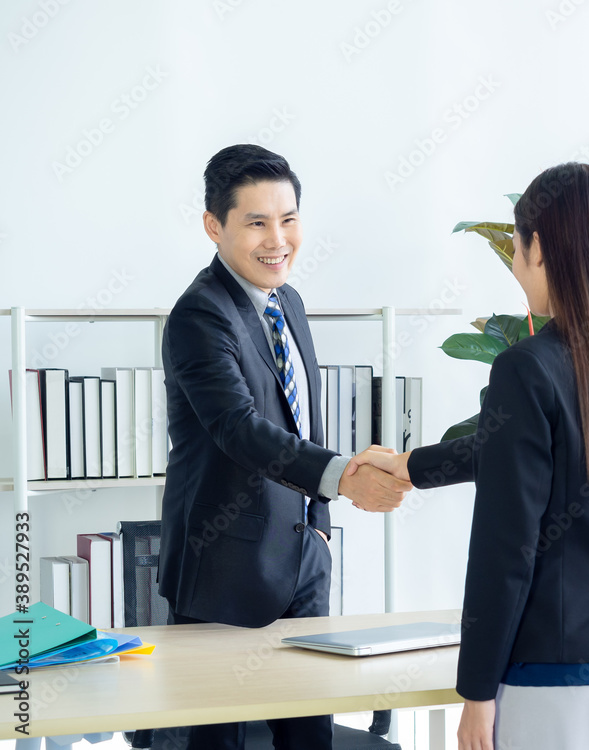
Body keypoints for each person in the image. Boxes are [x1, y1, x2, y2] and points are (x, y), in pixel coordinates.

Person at [348, 163, 589, 749]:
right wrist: (415, 466)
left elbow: (506, 548)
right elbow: (533, 448)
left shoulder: (525, 367)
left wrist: (475, 693)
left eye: (518, 246)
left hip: (556, 665)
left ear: (538, 248)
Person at [158, 144, 411, 750]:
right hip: (223, 573)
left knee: (309, 740)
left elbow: (304, 422)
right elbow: (238, 428)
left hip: (303, 565)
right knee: (218, 743)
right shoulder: (199, 315)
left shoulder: (287, 303)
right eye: (257, 222)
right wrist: (344, 476)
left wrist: (319, 525)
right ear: (213, 226)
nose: (279, 239)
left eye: (289, 219)